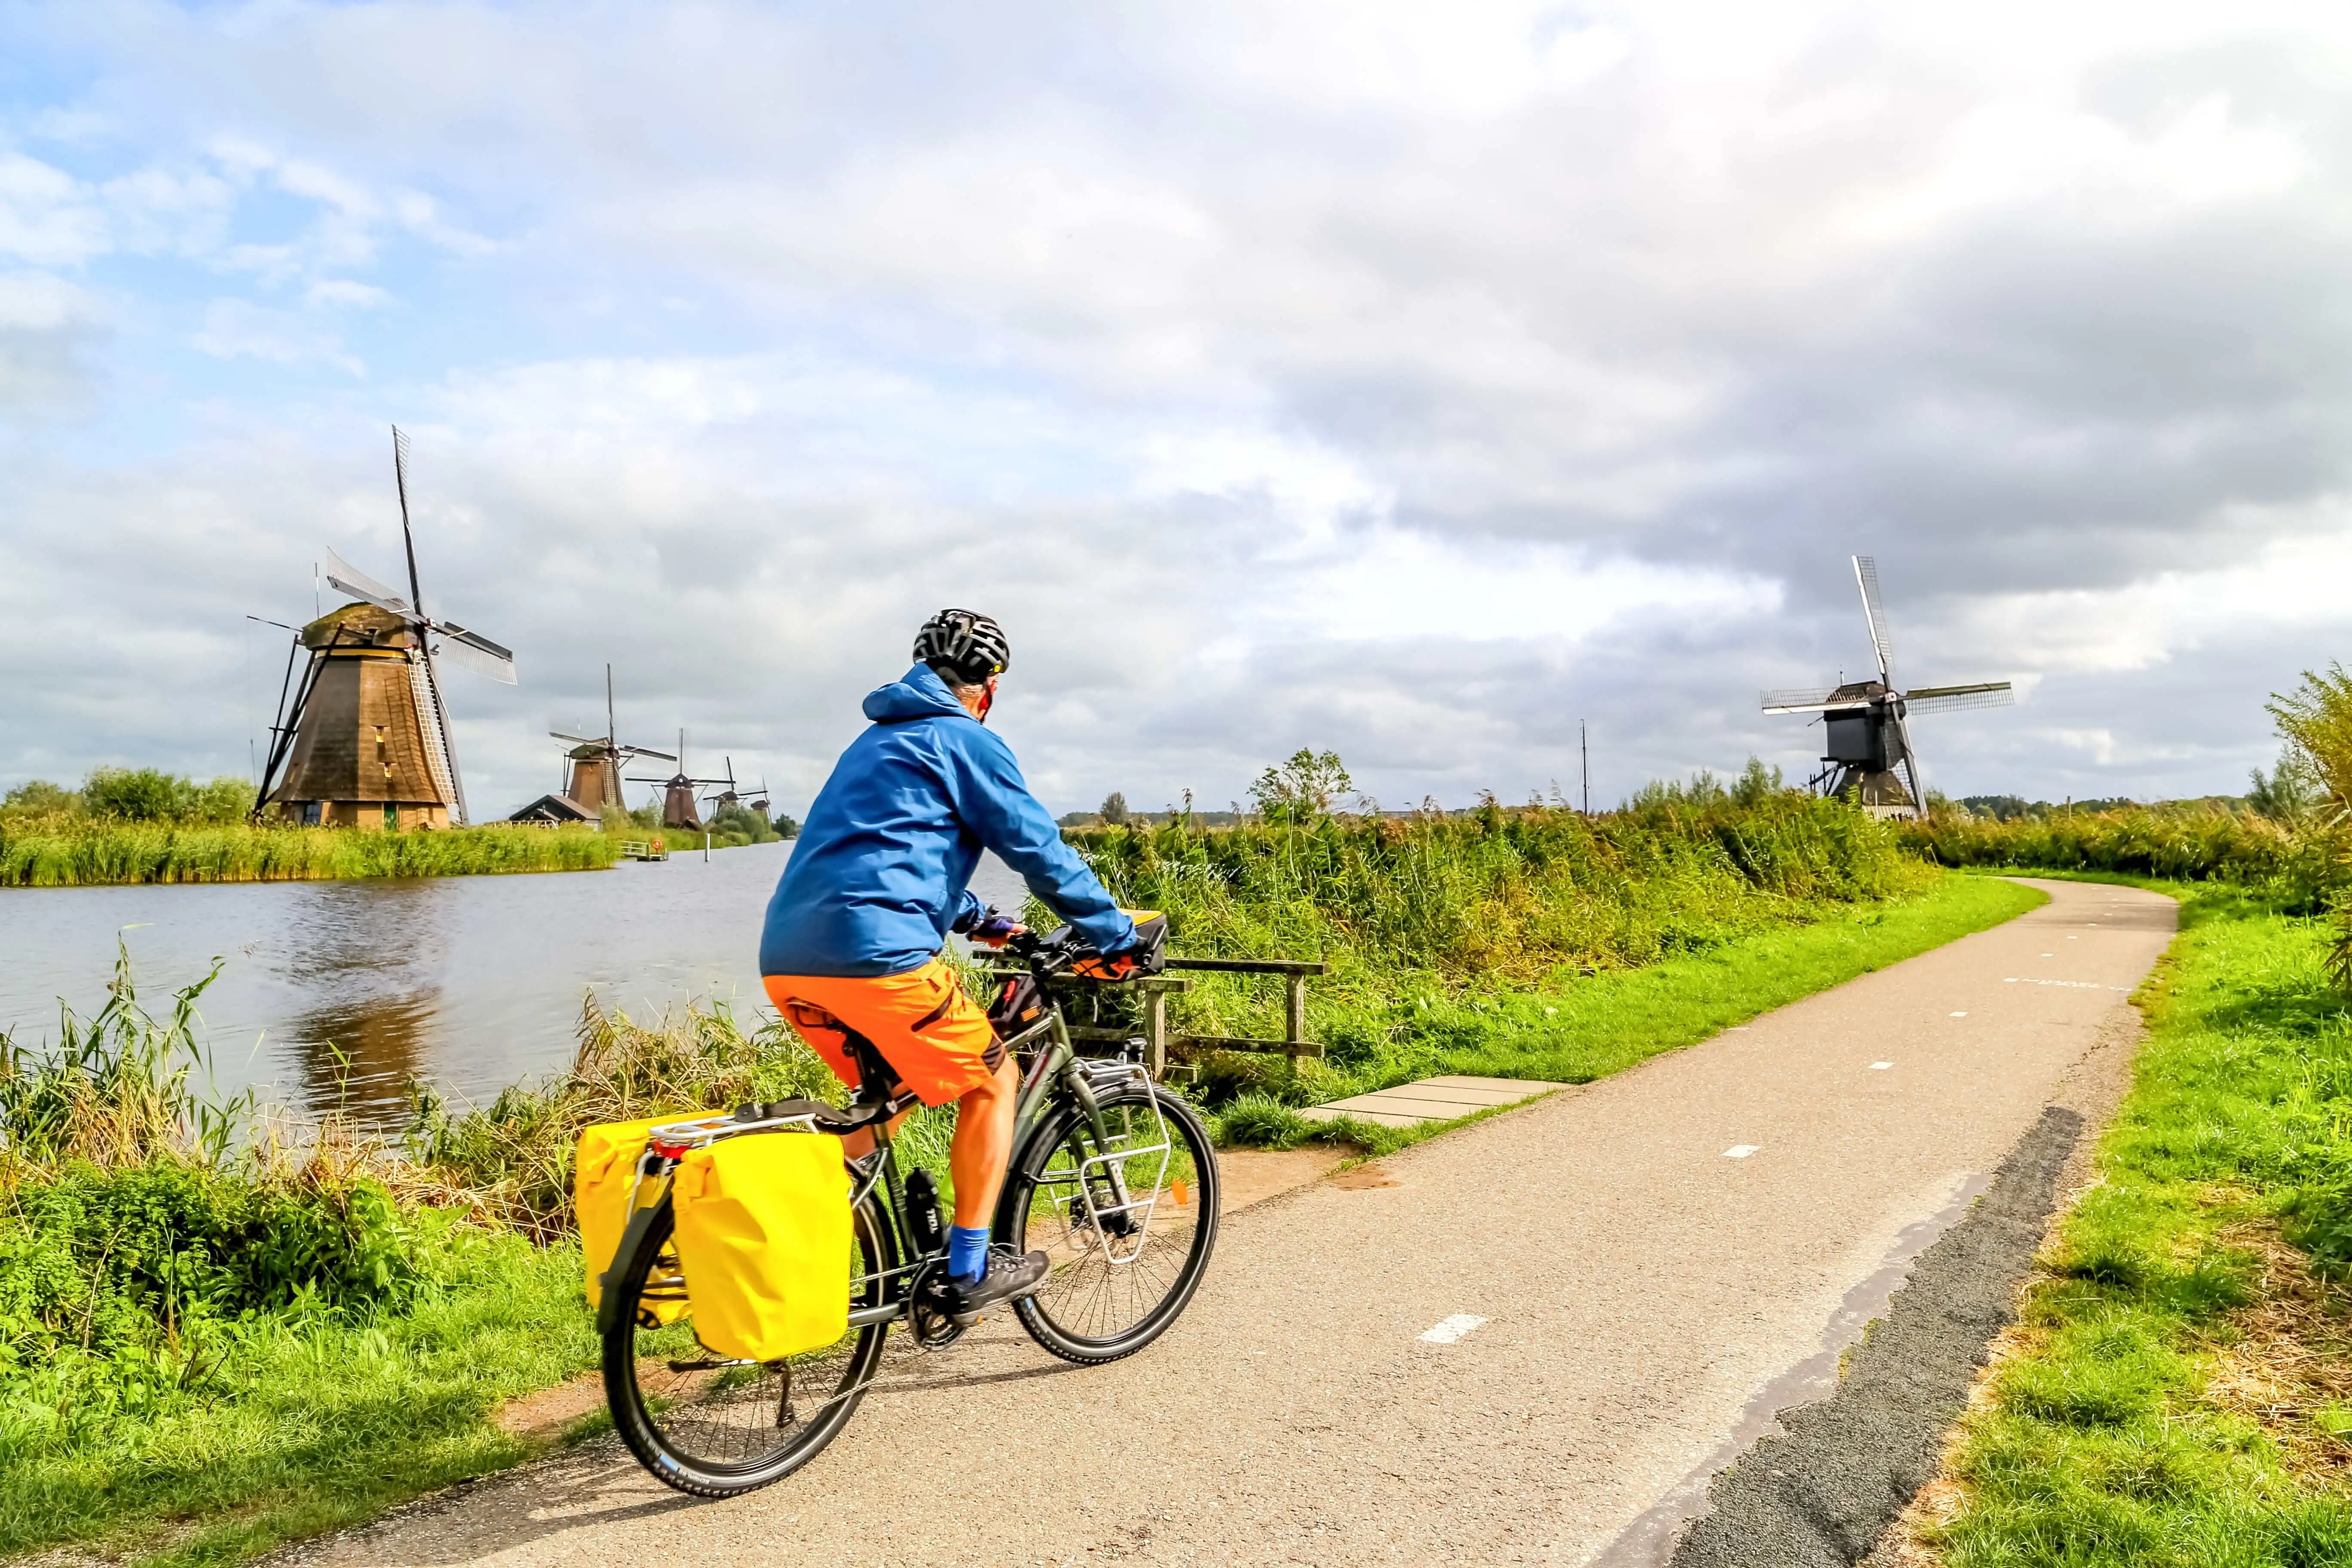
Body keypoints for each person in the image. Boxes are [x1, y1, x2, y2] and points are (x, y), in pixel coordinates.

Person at [760, 609, 1136, 1315]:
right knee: (994, 1078)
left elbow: (881, 855)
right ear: (987, 688)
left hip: (789, 960)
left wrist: (977, 919)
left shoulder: (871, 745)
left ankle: (771, 1238)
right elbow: (1039, 851)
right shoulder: (966, 740)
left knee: (881, 1107)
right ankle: (967, 1271)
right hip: (880, 960)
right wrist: (1112, 931)